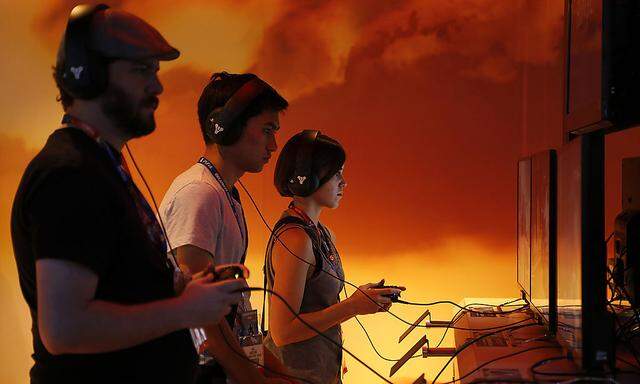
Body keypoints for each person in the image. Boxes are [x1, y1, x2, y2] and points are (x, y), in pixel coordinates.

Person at [10, 5, 245, 384]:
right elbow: (65, 329)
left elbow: (116, 289)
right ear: (88, 75)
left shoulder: (100, 166)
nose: (157, 87)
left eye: (155, 71)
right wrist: (184, 310)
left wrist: (179, 290)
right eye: (141, 71)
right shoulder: (69, 174)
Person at [158, 72, 290, 384]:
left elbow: (233, 319)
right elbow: (202, 320)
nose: (274, 144)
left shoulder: (224, 194)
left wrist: (280, 374)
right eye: (267, 130)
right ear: (226, 126)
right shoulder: (198, 194)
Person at [264, 130, 404, 384]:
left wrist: (362, 298)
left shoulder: (322, 234)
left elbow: (322, 306)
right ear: (308, 178)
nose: (344, 182)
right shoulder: (296, 240)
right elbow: (282, 332)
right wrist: (353, 306)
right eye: (336, 173)